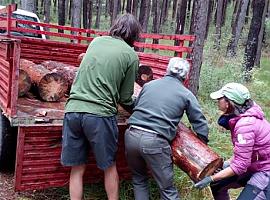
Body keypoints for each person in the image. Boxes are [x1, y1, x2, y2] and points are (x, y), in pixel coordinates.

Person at [60, 13, 141, 200]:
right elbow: (125, 97)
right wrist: (138, 109)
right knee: (109, 166)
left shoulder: (96, 42)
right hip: (99, 116)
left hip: (72, 110)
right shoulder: (131, 56)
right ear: (134, 35)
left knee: (77, 168)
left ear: (115, 27)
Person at [125, 57, 209, 200]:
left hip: (131, 135)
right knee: (167, 190)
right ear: (186, 76)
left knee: (139, 180)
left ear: (167, 70)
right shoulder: (186, 94)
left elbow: (136, 107)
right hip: (155, 142)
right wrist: (202, 143)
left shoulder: (149, 86)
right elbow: (199, 122)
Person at [194, 83, 270, 200]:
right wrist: (225, 164)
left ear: (229, 103)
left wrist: (211, 178)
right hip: (254, 165)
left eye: (220, 98)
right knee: (218, 185)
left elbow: (240, 166)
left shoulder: (245, 125)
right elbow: (244, 156)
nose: (218, 101)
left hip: (265, 171)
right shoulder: (243, 117)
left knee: (216, 181)